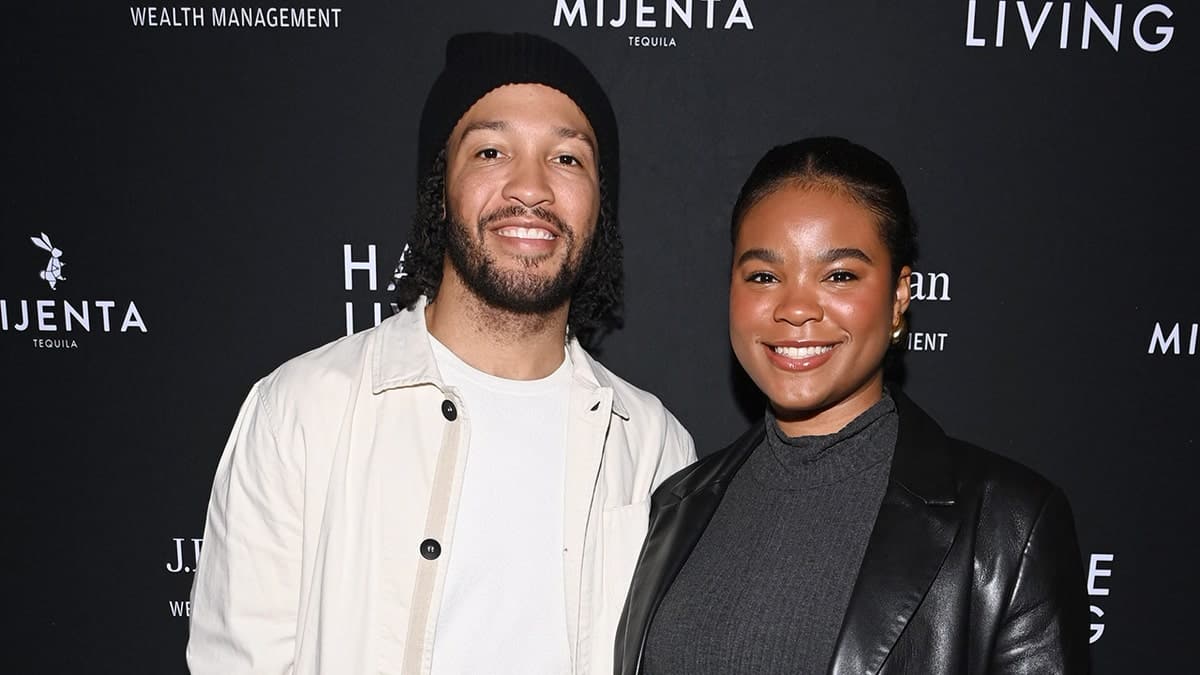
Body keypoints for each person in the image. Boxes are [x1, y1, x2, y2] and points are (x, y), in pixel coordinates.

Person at [187, 32, 695, 675]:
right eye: (491, 150)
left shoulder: (656, 449)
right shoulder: (301, 411)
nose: (531, 188)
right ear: (440, 187)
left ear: (600, 201)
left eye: (567, 159)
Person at [615, 137, 1091, 674]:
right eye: (764, 277)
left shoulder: (1008, 528)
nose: (795, 309)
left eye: (839, 275)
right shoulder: (677, 505)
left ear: (900, 295)